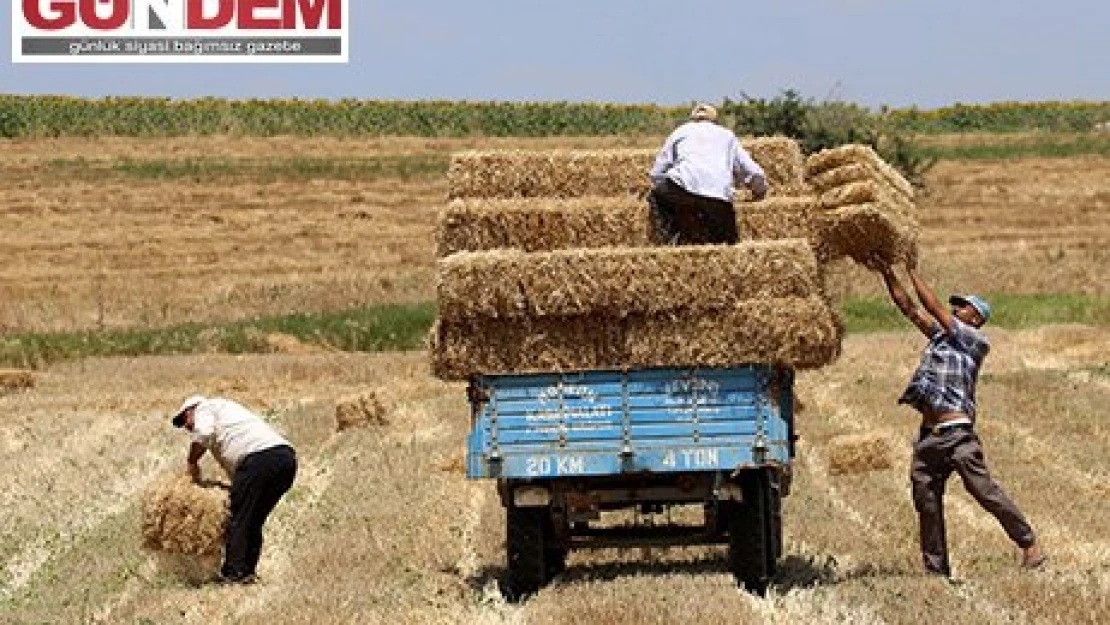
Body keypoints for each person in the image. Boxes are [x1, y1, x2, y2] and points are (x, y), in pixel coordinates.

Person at [870, 257, 1045, 577]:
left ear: (976, 318)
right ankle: (936, 572)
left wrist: (911, 270)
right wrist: (887, 272)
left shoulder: (975, 342)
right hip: (928, 438)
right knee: (927, 505)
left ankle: (1029, 544)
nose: (955, 309)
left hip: (957, 434)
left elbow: (933, 305)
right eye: (956, 306)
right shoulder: (941, 337)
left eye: (962, 307)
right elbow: (909, 308)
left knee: (984, 491)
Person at [171, 394, 297, 584]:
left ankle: (233, 574)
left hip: (259, 459)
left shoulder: (205, 408)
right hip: (285, 460)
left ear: (192, 410)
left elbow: (204, 434)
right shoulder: (228, 414)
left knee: (237, 516)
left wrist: (192, 461)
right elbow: (241, 477)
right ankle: (246, 572)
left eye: (184, 420)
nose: (187, 427)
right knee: (252, 519)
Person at [648, 103, 769, 245]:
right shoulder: (727, 135)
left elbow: (657, 172)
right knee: (727, 244)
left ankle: (667, 241)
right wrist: (759, 190)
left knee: (657, 196)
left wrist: (658, 184)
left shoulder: (680, 131)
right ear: (714, 119)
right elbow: (750, 170)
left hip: (681, 188)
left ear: (692, 118)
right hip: (717, 196)